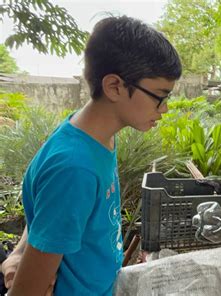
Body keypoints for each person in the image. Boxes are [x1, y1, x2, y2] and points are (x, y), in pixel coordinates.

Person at [1, 16, 181, 295]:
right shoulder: (75, 167)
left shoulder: (95, 138)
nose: (165, 108)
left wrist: (19, 251)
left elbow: (47, 213)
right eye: (160, 95)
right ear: (115, 87)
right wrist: (19, 261)